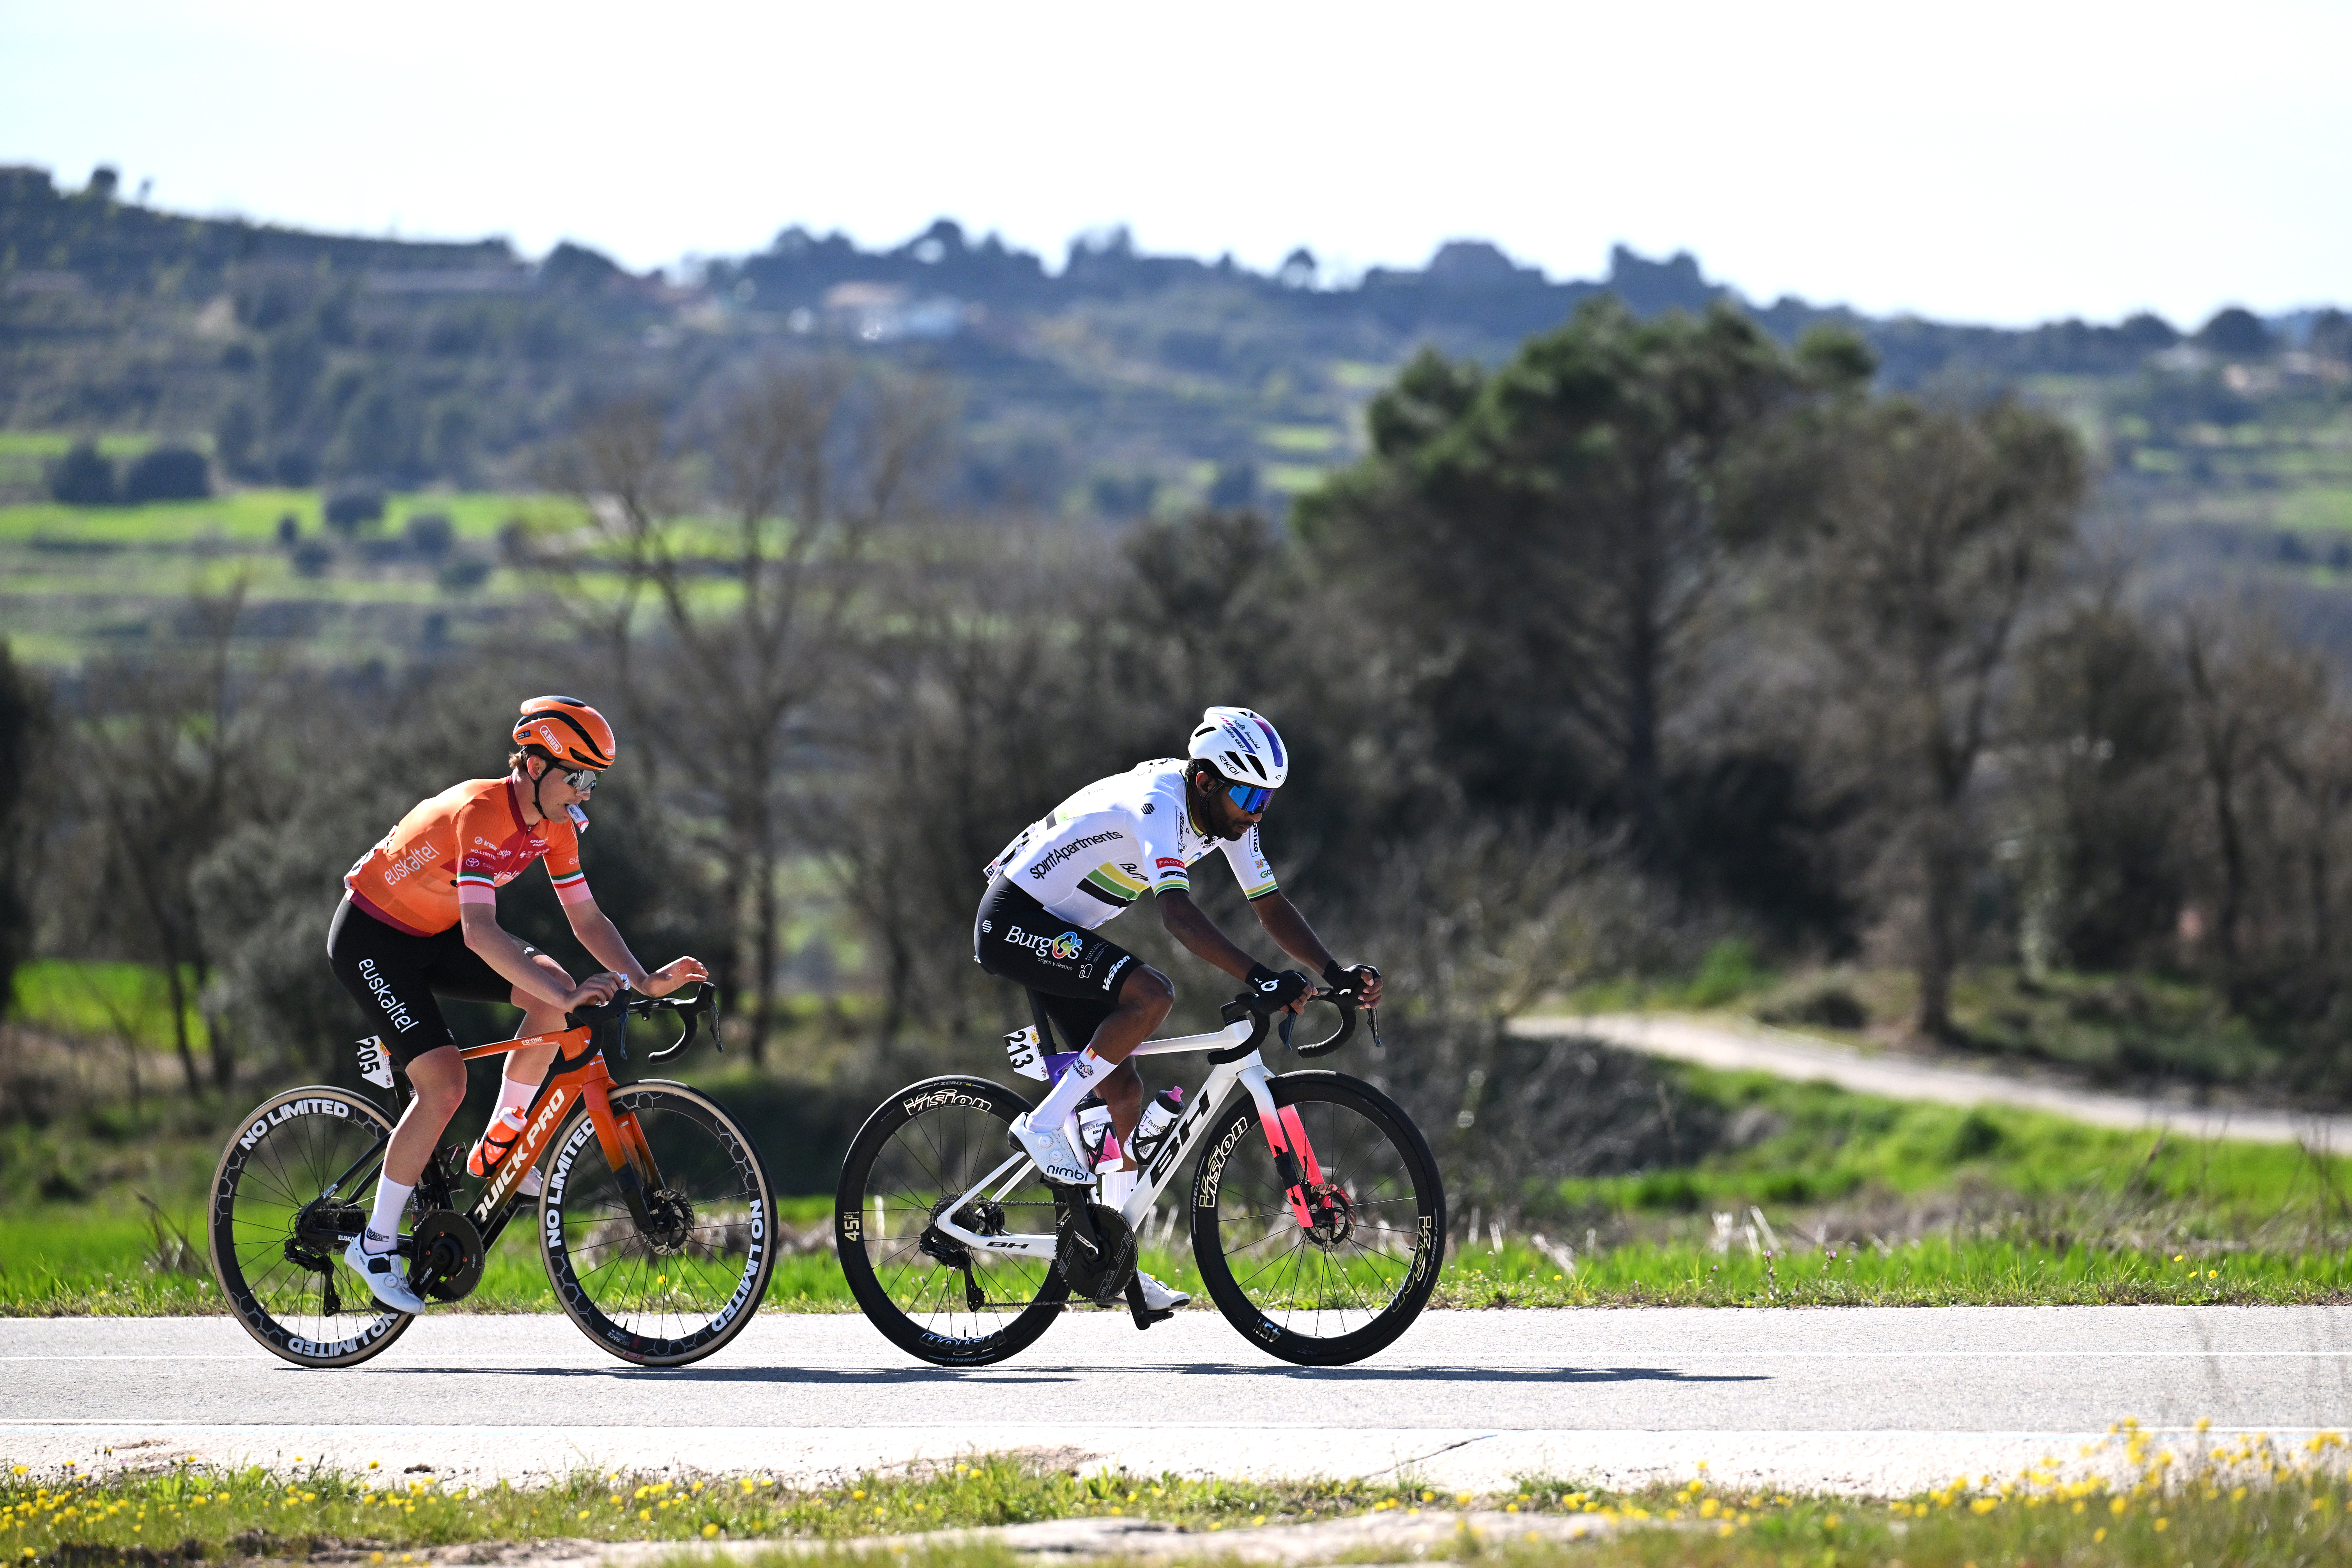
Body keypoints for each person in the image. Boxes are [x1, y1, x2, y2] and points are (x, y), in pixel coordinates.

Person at [974, 705, 1383, 1313]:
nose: (1256, 811)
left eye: (1266, 799)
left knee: (1124, 1094)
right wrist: (1259, 976)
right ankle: (1038, 1125)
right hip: (1015, 920)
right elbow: (1177, 915)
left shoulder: (1233, 821)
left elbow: (1269, 906)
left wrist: (1333, 971)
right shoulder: (1159, 802)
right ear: (1205, 781)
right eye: (1247, 794)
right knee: (1152, 994)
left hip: (1062, 929)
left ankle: (1113, 1263)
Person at [327, 695, 709, 1313]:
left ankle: (499, 1143)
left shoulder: (555, 825)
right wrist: (565, 993)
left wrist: (641, 978)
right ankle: (373, 1244)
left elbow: (585, 916)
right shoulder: (481, 812)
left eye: (595, 781)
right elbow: (481, 933)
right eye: (578, 776)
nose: (585, 792)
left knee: (554, 991)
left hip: (433, 932)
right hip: (374, 939)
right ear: (534, 765)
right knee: (446, 1084)